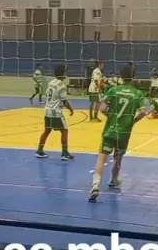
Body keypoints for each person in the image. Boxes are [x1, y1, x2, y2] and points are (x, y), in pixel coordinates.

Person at [88, 64, 147, 202]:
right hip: (124, 132)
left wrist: (111, 116)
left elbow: (102, 108)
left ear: (121, 76)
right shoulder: (138, 93)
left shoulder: (113, 90)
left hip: (110, 129)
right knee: (118, 158)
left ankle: (96, 184)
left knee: (102, 158)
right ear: (134, 77)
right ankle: (114, 179)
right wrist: (132, 121)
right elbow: (143, 112)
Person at [35, 65, 75, 161]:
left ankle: (39, 150)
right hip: (56, 112)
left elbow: (48, 94)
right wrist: (71, 109)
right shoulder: (62, 86)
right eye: (65, 72)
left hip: (47, 110)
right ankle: (64, 153)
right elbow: (64, 101)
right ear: (63, 73)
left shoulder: (51, 82)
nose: (66, 73)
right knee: (64, 131)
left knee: (47, 130)